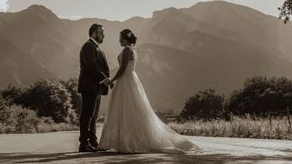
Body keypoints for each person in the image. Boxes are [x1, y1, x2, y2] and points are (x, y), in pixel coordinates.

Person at [98, 29, 200, 153]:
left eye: (120, 38)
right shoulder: (132, 49)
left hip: (125, 80)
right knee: (132, 110)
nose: (119, 40)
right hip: (131, 79)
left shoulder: (126, 50)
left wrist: (111, 80)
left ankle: (125, 141)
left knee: (124, 109)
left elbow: (123, 68)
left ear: (125, 38)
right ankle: (127, 139)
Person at [77, 23, 111, 152]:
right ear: (94, 33)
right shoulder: (87, 46)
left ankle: (93, 143)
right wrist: (104, 79)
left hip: (96, 87)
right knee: (87, 114)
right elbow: (92, 66)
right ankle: (84, 144)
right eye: (101, 32)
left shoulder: (95, 47)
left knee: (93, 116)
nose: (103, 35)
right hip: (89, 86)